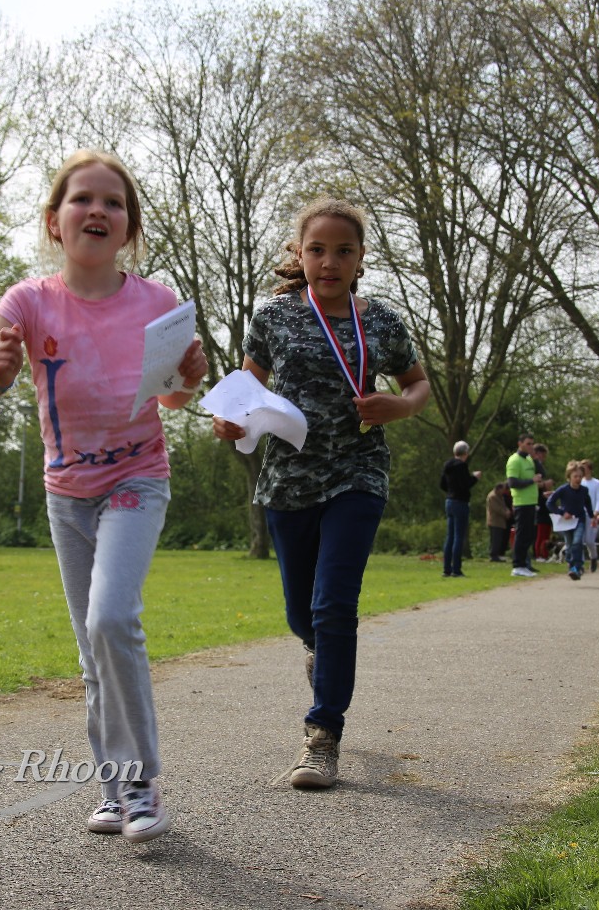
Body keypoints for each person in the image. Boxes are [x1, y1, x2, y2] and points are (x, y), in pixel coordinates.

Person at [0, 149, 207, 844]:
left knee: (111, 619)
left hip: (136, 480)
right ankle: (112, 789)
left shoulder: (158, 303)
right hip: (68, 495)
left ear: (129, 228)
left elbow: (173, 400)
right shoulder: (27, 303)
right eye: (82, 199)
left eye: (113, 203)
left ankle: (141, 783)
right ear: (55, 221)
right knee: (91, 648)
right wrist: (0, 375)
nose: (98, 210)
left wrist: (188, 377)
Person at [213, 197, 430, 790]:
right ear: (300, 254)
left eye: (343, 251)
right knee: (302, 614)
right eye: (317, 250)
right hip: (289, 481)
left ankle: (322, 737)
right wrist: (229, 422)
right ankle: (319, 651)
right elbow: (245, 389)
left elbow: (417, 384)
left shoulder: (381, 322)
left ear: (360, 259)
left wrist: (400, 406)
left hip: (358, 474)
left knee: (334, 606)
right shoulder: (273, 318)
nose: (329, 261)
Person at [547, 461, 597, 580]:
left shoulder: (584, 490)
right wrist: (561, 512)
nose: (578, 479)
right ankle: (571, 565)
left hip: (579, 520)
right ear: (569, 477)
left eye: (580, 476)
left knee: (577, 542)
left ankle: (577, 567)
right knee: (569, 546)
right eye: (575, 476)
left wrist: (592, 517)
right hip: (567, 523)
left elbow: (588, 504)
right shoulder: (563, 489)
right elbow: (550, 503)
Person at [439, 440, 481, 577]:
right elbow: (465, 484)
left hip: (449, 501)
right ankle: (456, 569)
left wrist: (451, 490)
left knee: (450, 536)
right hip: (460, 502)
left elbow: (442, 484)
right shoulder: (462, 466)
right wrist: (474, 478)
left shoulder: (447, 465)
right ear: (466, 453)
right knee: (458, 536)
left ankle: (447, 569)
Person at [506, 434, 541, 577]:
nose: (531, 446)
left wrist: (536, 459)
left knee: (529, 535)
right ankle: (517, 565)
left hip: (531, 502)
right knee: (521, 535)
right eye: (528, 444)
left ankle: (524, 564)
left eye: (532, 444)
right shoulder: (514, 460)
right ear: (520, 444)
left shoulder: (529, 459)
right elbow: (512, 483)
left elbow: (542, 474)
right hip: (521, 502)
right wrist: (531, 481)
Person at [580, 459, 599, 572]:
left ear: (589, 469)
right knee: (579, 539)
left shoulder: (596, 483)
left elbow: (598, 498)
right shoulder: (580, 482)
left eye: (584, 468)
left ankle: (593, 557)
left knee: (589, 541)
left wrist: (596, 511)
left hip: (591, 514)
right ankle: (580, 563)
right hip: (580, 513)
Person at [532, 443, 554, 561]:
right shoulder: (533, 466)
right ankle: (538, 554)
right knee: (540, 530)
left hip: (544, 501)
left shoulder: (540, 467)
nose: (544, 458)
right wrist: (545, 484)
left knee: (546, 529)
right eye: (543, 455)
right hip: (537, 502)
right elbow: (533, 484)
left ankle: (545, 553)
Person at [486, 482, 513, 562]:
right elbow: (496, 508)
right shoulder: (492, 496)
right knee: (495, 539)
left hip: (500, 521)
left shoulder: (499, 496)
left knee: (499, 539)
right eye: (503, 490)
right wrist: (505, 513)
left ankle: (497, 554)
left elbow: (503, 505)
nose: (504, 491)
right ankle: (493, 555)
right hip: (495, 521)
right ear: (498, 489)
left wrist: (508, 511)